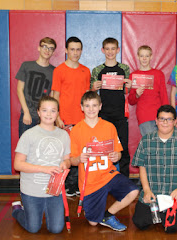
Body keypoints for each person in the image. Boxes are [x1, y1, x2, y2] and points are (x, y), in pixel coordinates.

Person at [69, 91, 139, 232]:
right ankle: (96, 213)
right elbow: (72, 161)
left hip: (108, 175)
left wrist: (116, 156)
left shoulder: (109, 127)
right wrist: (79, 159)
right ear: (82, 107)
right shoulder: (76, 130)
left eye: (94, 105)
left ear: (100, 106)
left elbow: (118, 153)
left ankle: (108, 215)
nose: (91, 109)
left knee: (133, 191)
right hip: (90, 182)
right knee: (93, 223)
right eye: (87, 106)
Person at [132, 105, 177, 233]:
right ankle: (161, 213)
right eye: (162, 119)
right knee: (139, 222)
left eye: (169, 119)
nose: (165, 122)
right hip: (153, 194)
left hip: (175, 195)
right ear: (156, 121)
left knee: (171, 228)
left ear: (175, 122)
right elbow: (142, 166)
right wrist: (146, 190)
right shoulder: (146, 140)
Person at [12, 96, 71, 233]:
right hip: (31, 191)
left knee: (56, 229)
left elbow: (67, 160)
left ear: (57, 113)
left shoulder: (64, 135)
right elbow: (18, 165)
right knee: (33, 228)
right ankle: (17, 211)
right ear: (38, 112)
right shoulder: (28, 134)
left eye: (53, 111)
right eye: (45, 110)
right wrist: (44, 169)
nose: (49, 114)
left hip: (54, 191)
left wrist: (65, 164)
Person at [52, 36, 91, 196]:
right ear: (66, 50)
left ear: (81, 51)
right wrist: (57, 116)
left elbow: (88, 97)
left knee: (79, 153)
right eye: (72, 49)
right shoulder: (59, 70)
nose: (75, 53)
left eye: (78, 49)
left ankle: (75, 184)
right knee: (65, 154)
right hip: (65, 120)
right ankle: (66, 185)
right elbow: (55, 95)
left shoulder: (86, 70)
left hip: (82, 121)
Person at [91, 37, 132, 177]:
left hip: (120, 115)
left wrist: (130, 86)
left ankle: (125, 179)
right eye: (107, 49)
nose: (110, 52)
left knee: (123, 148)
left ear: (118, 50)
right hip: (103, 115)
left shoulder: (124, 68)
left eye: (113, 48)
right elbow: (92, 94)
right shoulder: (97, 70)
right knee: (103, 148)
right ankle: (104, 177)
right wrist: (93, 88)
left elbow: (126, 91)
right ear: (103, 50)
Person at [16, 37, 57, 137]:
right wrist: (26, 112)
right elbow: (19, 89)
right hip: (27, 115)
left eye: (51, 48)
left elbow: (52, 95)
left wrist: (50, 116)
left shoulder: (54, 71)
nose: (47, 50)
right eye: (44, 47)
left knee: (42, 148)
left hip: (44, 117)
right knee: (25, 149)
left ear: (53, 52)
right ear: (39, 48)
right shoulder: (26, 66)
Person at [128, 45, 169, 136]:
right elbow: (131, 101)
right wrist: (137, 95)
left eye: (147, 56)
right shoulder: (134, 75)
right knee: (151, 145)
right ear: (138, 57)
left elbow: (164, 95)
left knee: (163, 144)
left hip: (160, 115)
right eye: (142, 56)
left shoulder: (158, 74)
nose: (144, 58)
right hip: (144, 116)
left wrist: (167, 114)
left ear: (151, 57)